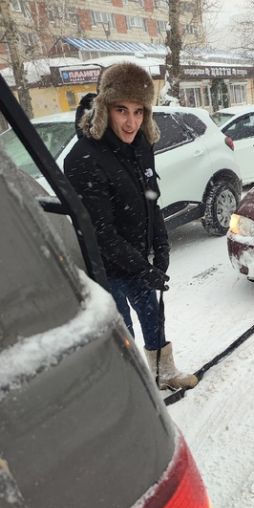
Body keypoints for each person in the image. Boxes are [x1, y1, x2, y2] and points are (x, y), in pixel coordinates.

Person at [64, 62, 197, 391]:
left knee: (153, 317)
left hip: (135, 260)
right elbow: (100, 232)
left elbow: (151, 199)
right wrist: (143, 267)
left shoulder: (141, 147)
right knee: (122, 334)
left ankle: (163, 372)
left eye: (139, 111)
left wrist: (161, 247)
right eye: (121, 110)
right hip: (104, 269)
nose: (131, 121)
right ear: (104, 107)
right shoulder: (84, 158)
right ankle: (132, 390)